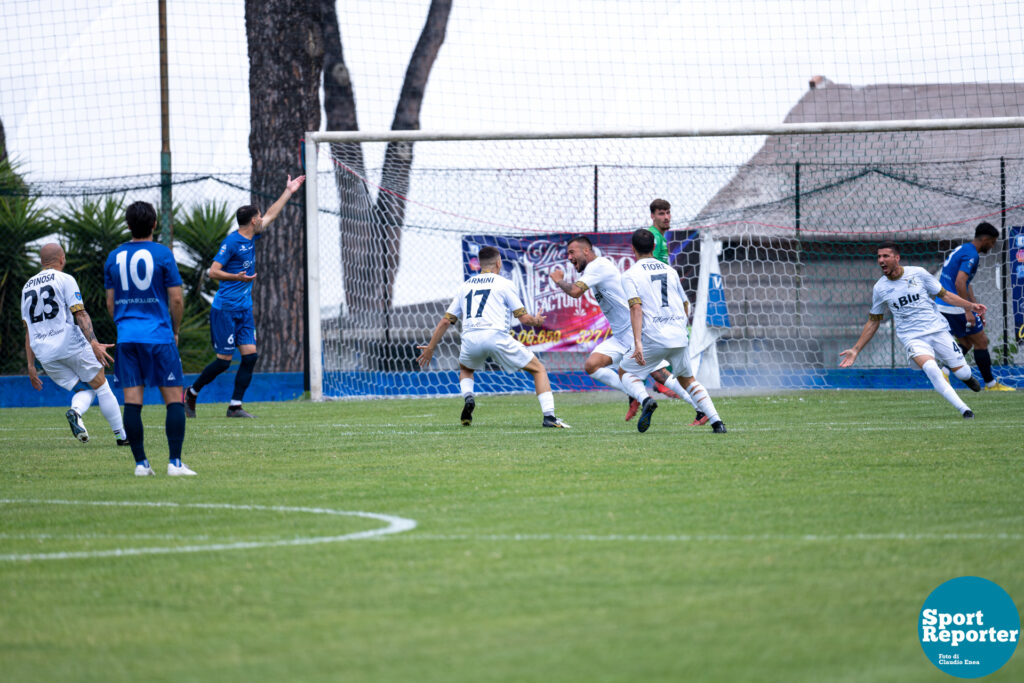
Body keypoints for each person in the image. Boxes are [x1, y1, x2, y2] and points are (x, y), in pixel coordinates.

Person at [184, 174, 306, 418]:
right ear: (252, 220)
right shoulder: (231, 243)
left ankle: (235, 406)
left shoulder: (252, 236)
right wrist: (237, 278)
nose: (263, 219)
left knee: (250, 356)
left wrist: (289, 191)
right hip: (225, 309)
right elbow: (213, 271)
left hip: (244, 309)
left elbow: (272, 214)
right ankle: (192, 393)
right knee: (223, 362)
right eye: (259, 216)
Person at [549, 235, 705, 424]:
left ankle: (701, 409)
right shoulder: (594, 269)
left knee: (660, 375)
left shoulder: (599, 266)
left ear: (586, 251)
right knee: (592, 365)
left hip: (633, 332)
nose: (569, 257)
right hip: (621, 336)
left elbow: (575, 291)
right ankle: (638, 395)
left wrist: (558, 280)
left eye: (572, 252)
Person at [417, 246, 570, 428]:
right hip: (495, 336)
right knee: (538, 369)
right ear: (498, 263)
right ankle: (549, 417)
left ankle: (469, 398)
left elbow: (445, 321)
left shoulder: (464, 287)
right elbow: (523, 318)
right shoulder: (504, 284)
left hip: (470, 337)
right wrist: (536, 321)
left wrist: (431, 348)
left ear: (480, 265)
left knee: (466, 369)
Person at [840, 241, 986, 418]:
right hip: (912, 337)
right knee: (932, 369)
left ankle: (967, 377)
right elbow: (873, 320)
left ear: (897, 258)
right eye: (879, 256)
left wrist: (970, 306)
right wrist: (856, 350)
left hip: (937, 329)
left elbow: (945, 295)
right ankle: (965, 410)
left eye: (885, 256)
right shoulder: (880, 288)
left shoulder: (918, 273)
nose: (881, 260)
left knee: (963, 372)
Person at [104, 201, 195, 476]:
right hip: (158, 335)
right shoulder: (163, 254)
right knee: (173, 400)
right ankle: (175, 464)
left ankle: (141, 465)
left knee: (132, 402)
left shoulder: (113, 257)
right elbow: (176, 299)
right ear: (155, 224)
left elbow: (110, 302)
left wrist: (123, 324)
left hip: (127, 337)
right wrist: (175, 330)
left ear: (128, 226)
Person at [619, 229, 727, 434]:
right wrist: (680, 327)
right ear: (653, 247)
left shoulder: (629, 275)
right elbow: (685, 303)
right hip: (678, 335)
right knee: (688, 380)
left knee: (625, 371)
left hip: (654, 337)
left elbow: (636, 308)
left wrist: (638, 343)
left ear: (632, 249)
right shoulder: (670, 270)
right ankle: (717, 422)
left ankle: (646, 399)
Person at [21, 243, 127, 446]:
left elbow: (29, 330)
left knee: (84, 391)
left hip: (44, 353)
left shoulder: (27, 287)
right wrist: (94, 342)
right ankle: (122, 437)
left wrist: (31, 365)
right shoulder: (65, 279)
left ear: (41, 261)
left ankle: (76, 412)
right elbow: (80, 313)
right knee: (101, 386)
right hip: (69, 344)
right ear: (62, 258)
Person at [643, 198, 707, 425]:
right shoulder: (652, 238)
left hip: (663, 310)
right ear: (653, 215)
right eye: (661, 213)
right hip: (660, 307)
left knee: (658, 359)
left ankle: (698, 407)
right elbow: (649, 273)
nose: (666, 217)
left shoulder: (659, 238)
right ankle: (648, 391)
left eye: (668, 213)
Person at [935, 221, 1014, 391]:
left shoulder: (964, 249)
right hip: (954, 306)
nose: (992, 246)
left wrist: (974, 306)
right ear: (985, 238)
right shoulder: (972, 255)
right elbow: (959, 282)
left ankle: (943, 373)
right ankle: (991, 385)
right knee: (981, 341)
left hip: (944, 303)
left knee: (966, 343)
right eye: (992, 242)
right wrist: (968, 310)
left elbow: (966, 282)